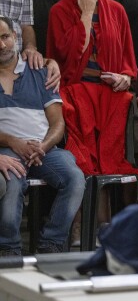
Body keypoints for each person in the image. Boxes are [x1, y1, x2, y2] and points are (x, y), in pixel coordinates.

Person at [46, 0, 138, 224]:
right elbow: (64, 57)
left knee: (117, 160)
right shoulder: (59, 11)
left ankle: (119, 226)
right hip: (75, 93)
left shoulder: (115, 9)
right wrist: (85, 16)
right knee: (84, 162)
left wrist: (125, 77)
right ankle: (85, 226)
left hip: (111, 95)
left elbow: (129, 58)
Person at [0, 16, 85, 256]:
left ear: (15, 37)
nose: (2, 45)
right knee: (11, 180)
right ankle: (8, 249)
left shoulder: (39, 71)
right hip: (6, 150)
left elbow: (58, 124)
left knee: (75, 178)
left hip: (44, 149)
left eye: (5, 37)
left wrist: (42, 147)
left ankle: (52, 243)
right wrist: (13, 142)